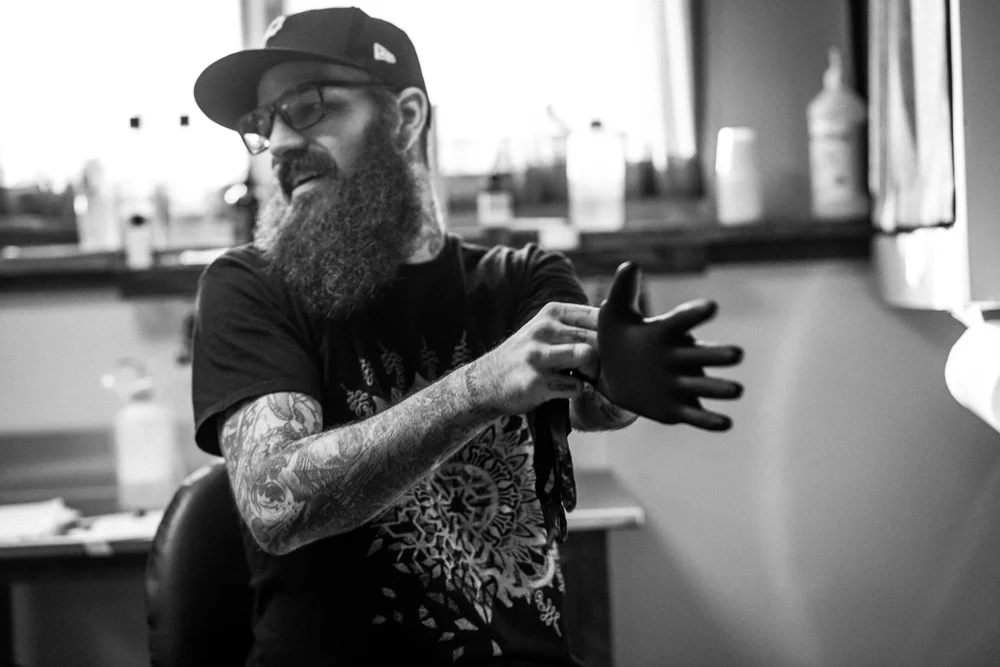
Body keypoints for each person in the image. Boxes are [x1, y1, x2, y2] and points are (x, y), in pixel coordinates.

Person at [190, 7, 743, 666]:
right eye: (263, 123)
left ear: (406, 117)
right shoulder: (248, 286)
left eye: (306, 107)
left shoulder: (523, 280)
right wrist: (482, 387)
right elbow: (274, 500)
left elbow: (589, 396)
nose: (278, 142)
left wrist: (623, 375)